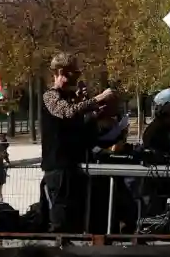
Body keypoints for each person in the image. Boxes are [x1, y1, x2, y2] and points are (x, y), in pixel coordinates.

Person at [40, 52, 117, 233]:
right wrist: (97, 99)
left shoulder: (71, 98)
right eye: (72, 74)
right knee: (61, 219)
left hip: (73, 166)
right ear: (60, 73)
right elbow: (67, 112)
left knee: (76, 218)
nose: (75, 79)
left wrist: (96, 112)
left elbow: (80, 126)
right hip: (58, 168)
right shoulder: (50, 96)